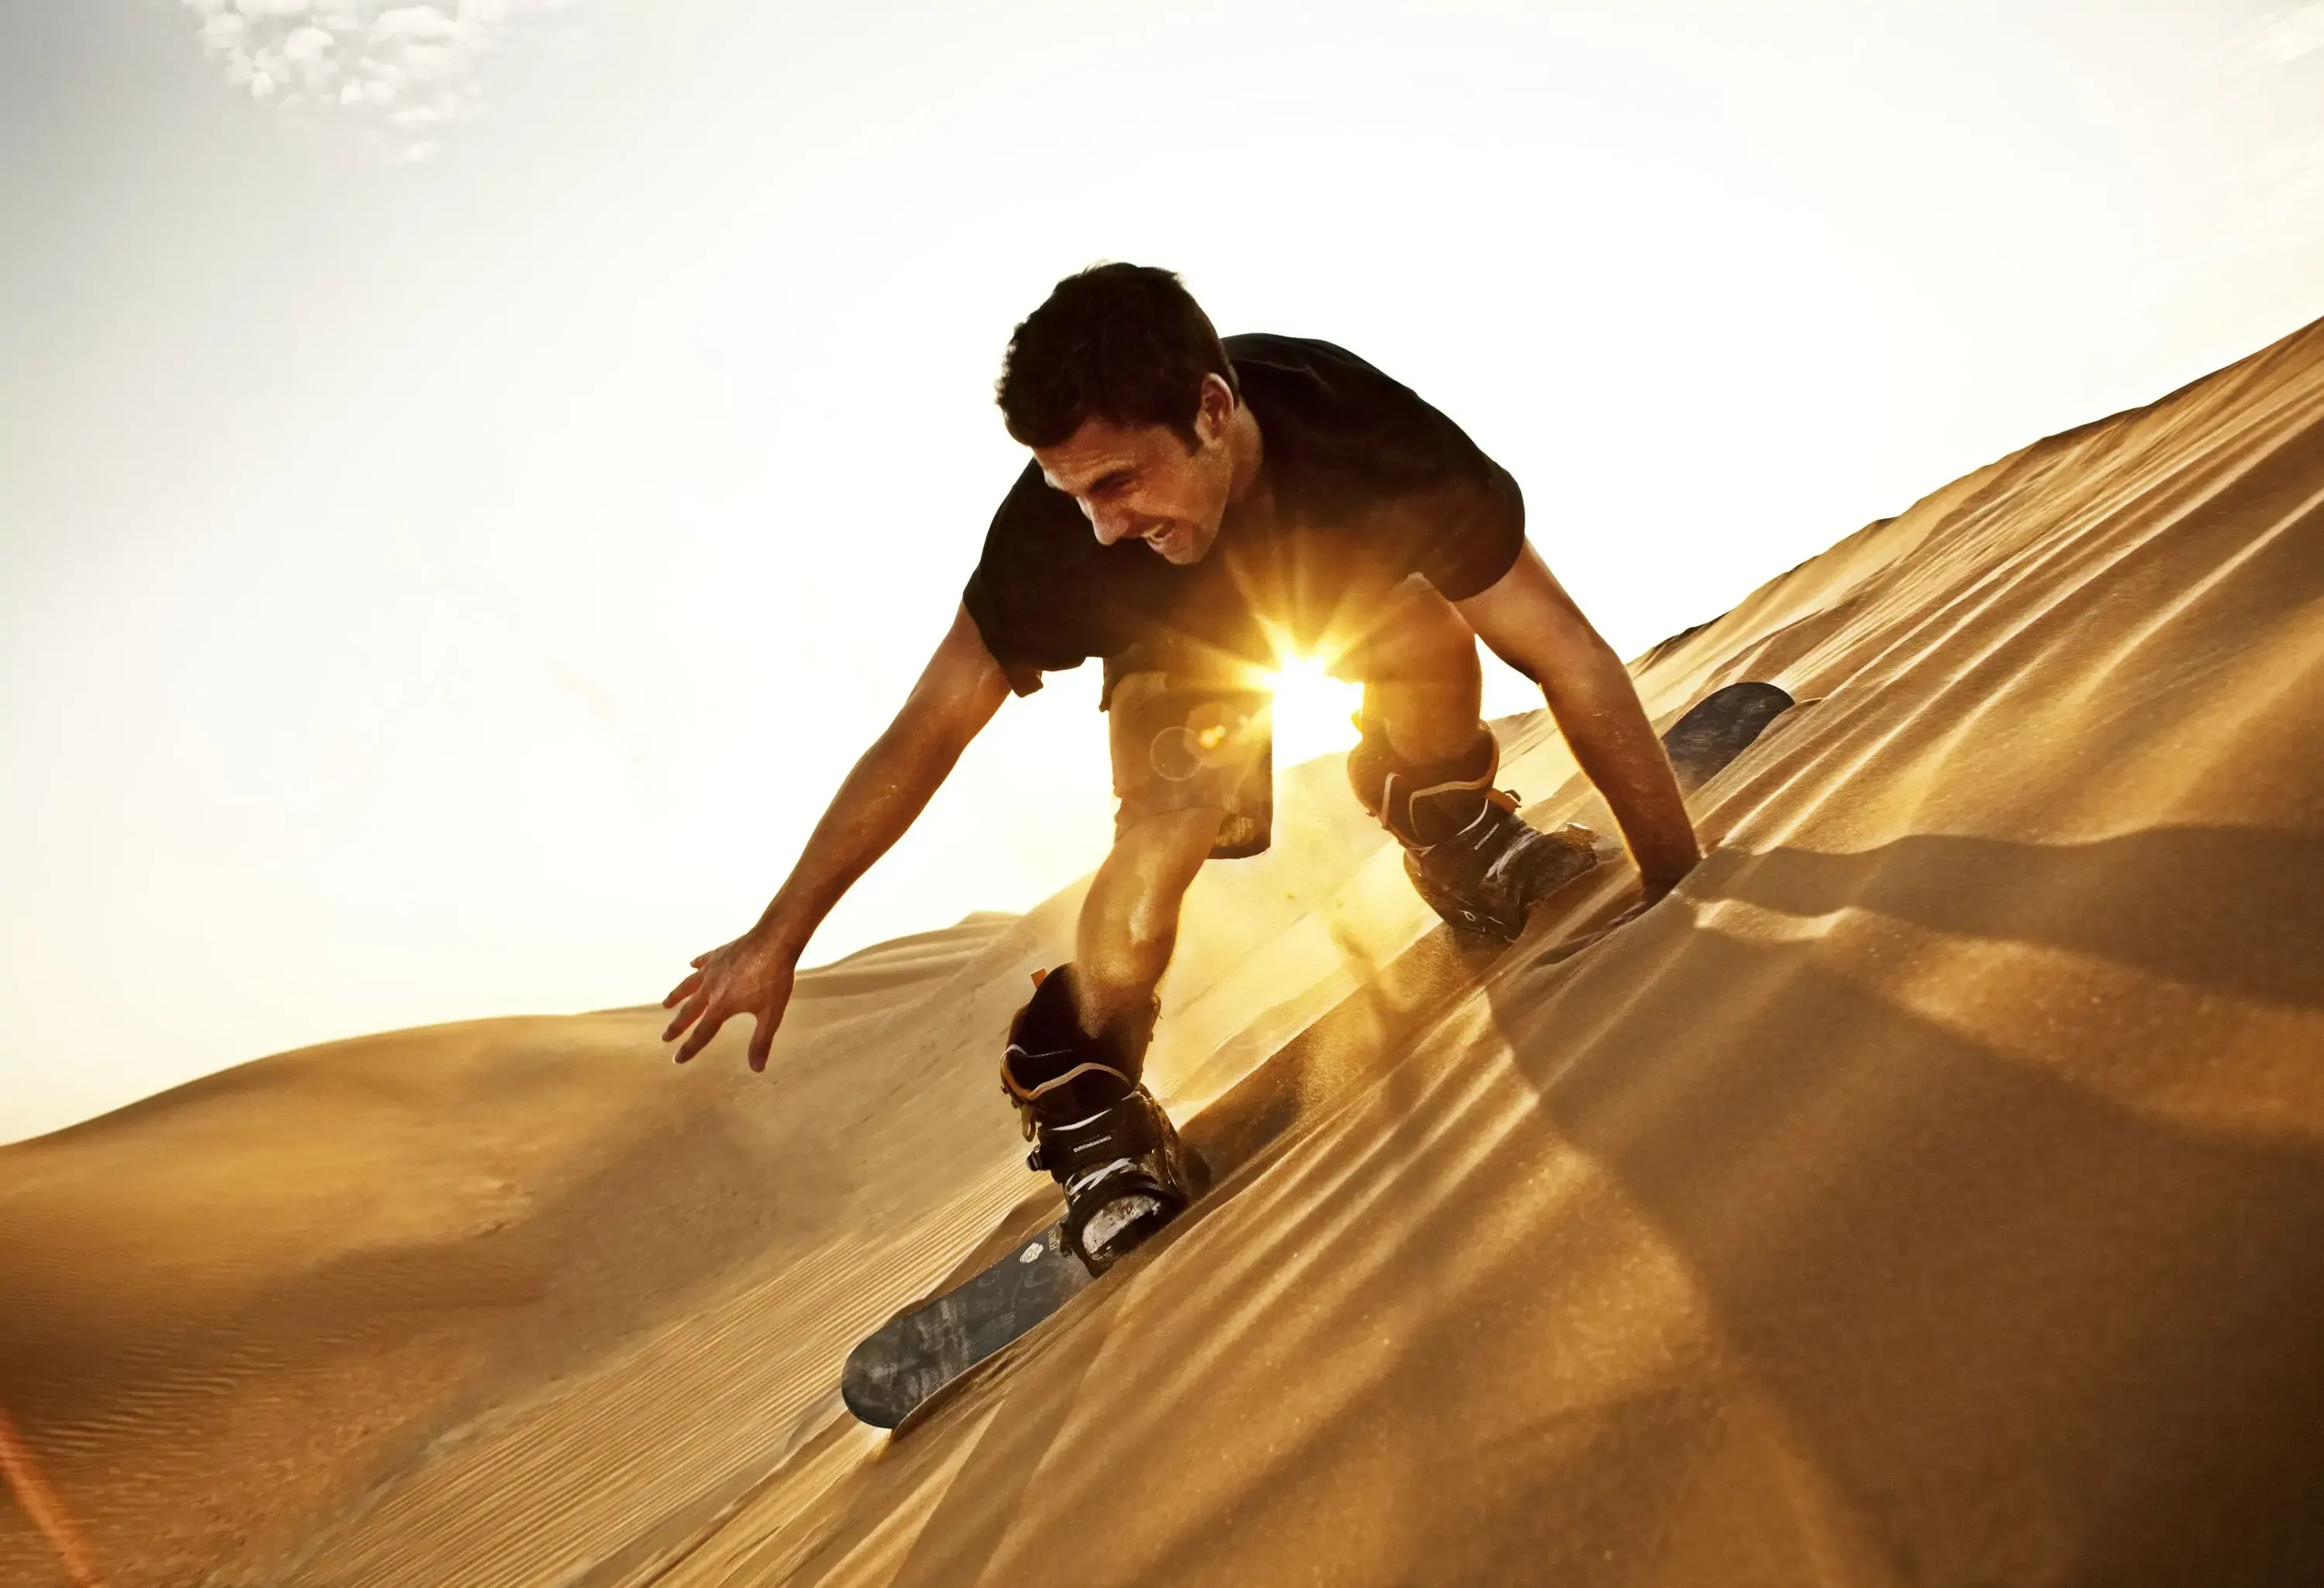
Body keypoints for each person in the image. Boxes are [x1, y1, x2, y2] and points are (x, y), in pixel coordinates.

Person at [662, 264, 1700, 1273]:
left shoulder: (1364, 431)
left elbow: (1558, 643)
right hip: (1180, 667)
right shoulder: (1054, 541)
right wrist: (778, 932)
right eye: (1074, 494)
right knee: (1169, 824)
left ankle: (1446, 824)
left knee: (1433, 628)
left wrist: (1682, 888)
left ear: (1211, 409)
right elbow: (925, 731)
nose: (1103, 523)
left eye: (1117, 483)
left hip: (1328, 606)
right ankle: (1080, 1082)